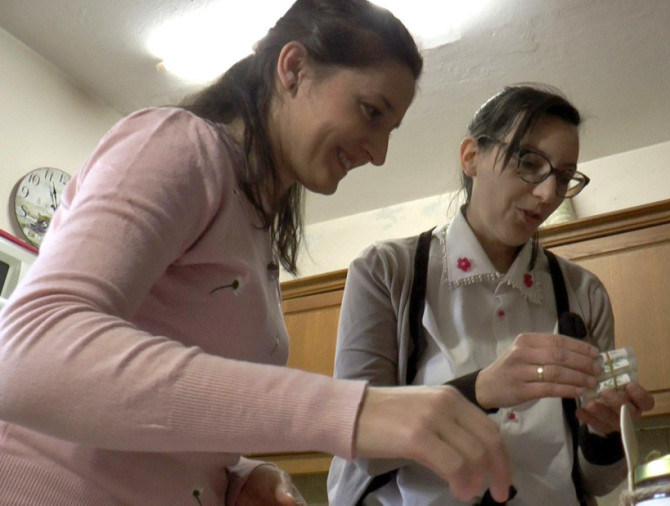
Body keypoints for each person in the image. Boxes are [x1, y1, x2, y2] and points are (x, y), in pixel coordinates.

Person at [0, 1, 513, 504]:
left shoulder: (255, 228)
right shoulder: (182, 145)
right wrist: (352, 411)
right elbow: (27, 355)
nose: (378, 153)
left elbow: (158, 423)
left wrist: (236, 474)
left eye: (389, 130)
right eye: (371, 112)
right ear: (293, 68)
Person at [328, 84, 656, 505]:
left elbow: (596, 482)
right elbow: (357, 442)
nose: (547, 194)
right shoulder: (386, 271)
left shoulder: (583, 292)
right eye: (529, 162)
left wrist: (604, 432)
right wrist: (480, 389)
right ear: (471, 157)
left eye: (562, 177)